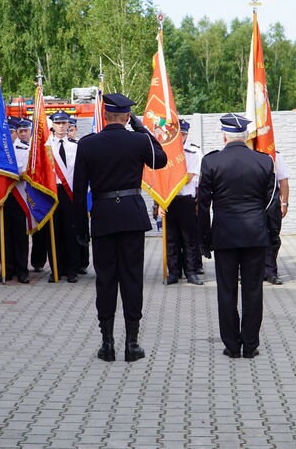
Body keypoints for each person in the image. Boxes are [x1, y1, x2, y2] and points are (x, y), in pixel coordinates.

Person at [73, 93, 167, 363]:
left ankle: (107, 344)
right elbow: (159, 159)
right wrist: (142, 129)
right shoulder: (138, 140)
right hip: (131, 217)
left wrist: (80, 226)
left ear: (104, 115)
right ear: (127, 116)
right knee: (131, 279)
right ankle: (132, 344)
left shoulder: (89, 144)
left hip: (103, 217)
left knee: (105, 280)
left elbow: (79, 190)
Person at [198, 114, 277, 359]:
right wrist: (273, 235)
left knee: (227, 291)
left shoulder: (211, 162)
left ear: (224, 136)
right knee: (253, 290)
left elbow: (202, 205)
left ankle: (232, 345)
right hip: (255, 235)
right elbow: (272, 204)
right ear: (246, 136)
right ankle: (250, 345)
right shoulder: (264, 161)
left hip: (225, 235)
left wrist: (205, 237)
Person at [165, 119, 204, 286]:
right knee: (171, 239)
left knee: (189, 239)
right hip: (169, 200)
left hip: (186, 200)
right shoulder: (165, 151)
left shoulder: (193, 152)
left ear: (187, 134)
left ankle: (191, 272)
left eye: (183, 133)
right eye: (178, 133)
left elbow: (189, 178)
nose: (180, 136)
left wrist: (171, 178)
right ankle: (173, 273)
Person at [48, 111, 79, 283]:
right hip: (51, 192)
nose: (60, 126)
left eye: (64, 123)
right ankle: (56, 269)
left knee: (70, 232)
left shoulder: (75, 146)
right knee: (54, 232)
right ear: (52, 125)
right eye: (57, 123)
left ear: (69, 125)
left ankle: (71, 270)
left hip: (69, 194)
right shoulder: (45, 146)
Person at [0, 118, 31, 283]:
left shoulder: (24, 148)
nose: (8, 135)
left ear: (16, 132)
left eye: (11, 132)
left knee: (19, 235)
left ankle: (22, 270)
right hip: (2, 196)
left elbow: (28, 172)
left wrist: (15, 176)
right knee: (3, 234)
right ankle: (6, 269)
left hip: (18, 195)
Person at [264, 152, 290, 285]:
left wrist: (284, 203)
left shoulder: (274, 155)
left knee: (273, 238)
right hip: (252, 203)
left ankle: (271, 272)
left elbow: (283, 180)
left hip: (272, 203)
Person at [68, 115, 90, 275]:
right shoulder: (53, 146)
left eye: (71, 129)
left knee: (82, 228)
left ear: (76, 130)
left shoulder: (80, 146)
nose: (68, 132)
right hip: (64, 192)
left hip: (80, 193)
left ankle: (83, 262)